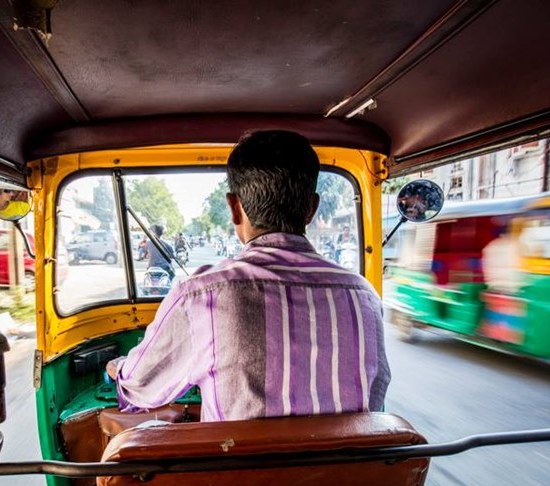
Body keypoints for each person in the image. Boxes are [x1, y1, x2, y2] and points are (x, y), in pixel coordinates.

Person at [107, 130, 390, 421]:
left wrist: (118, 369)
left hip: (232, 467)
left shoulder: (201, 296)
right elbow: (376, 399)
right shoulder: (364, 295)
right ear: (312, 208)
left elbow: (140, 388)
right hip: (350, 467)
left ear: (233, 207)